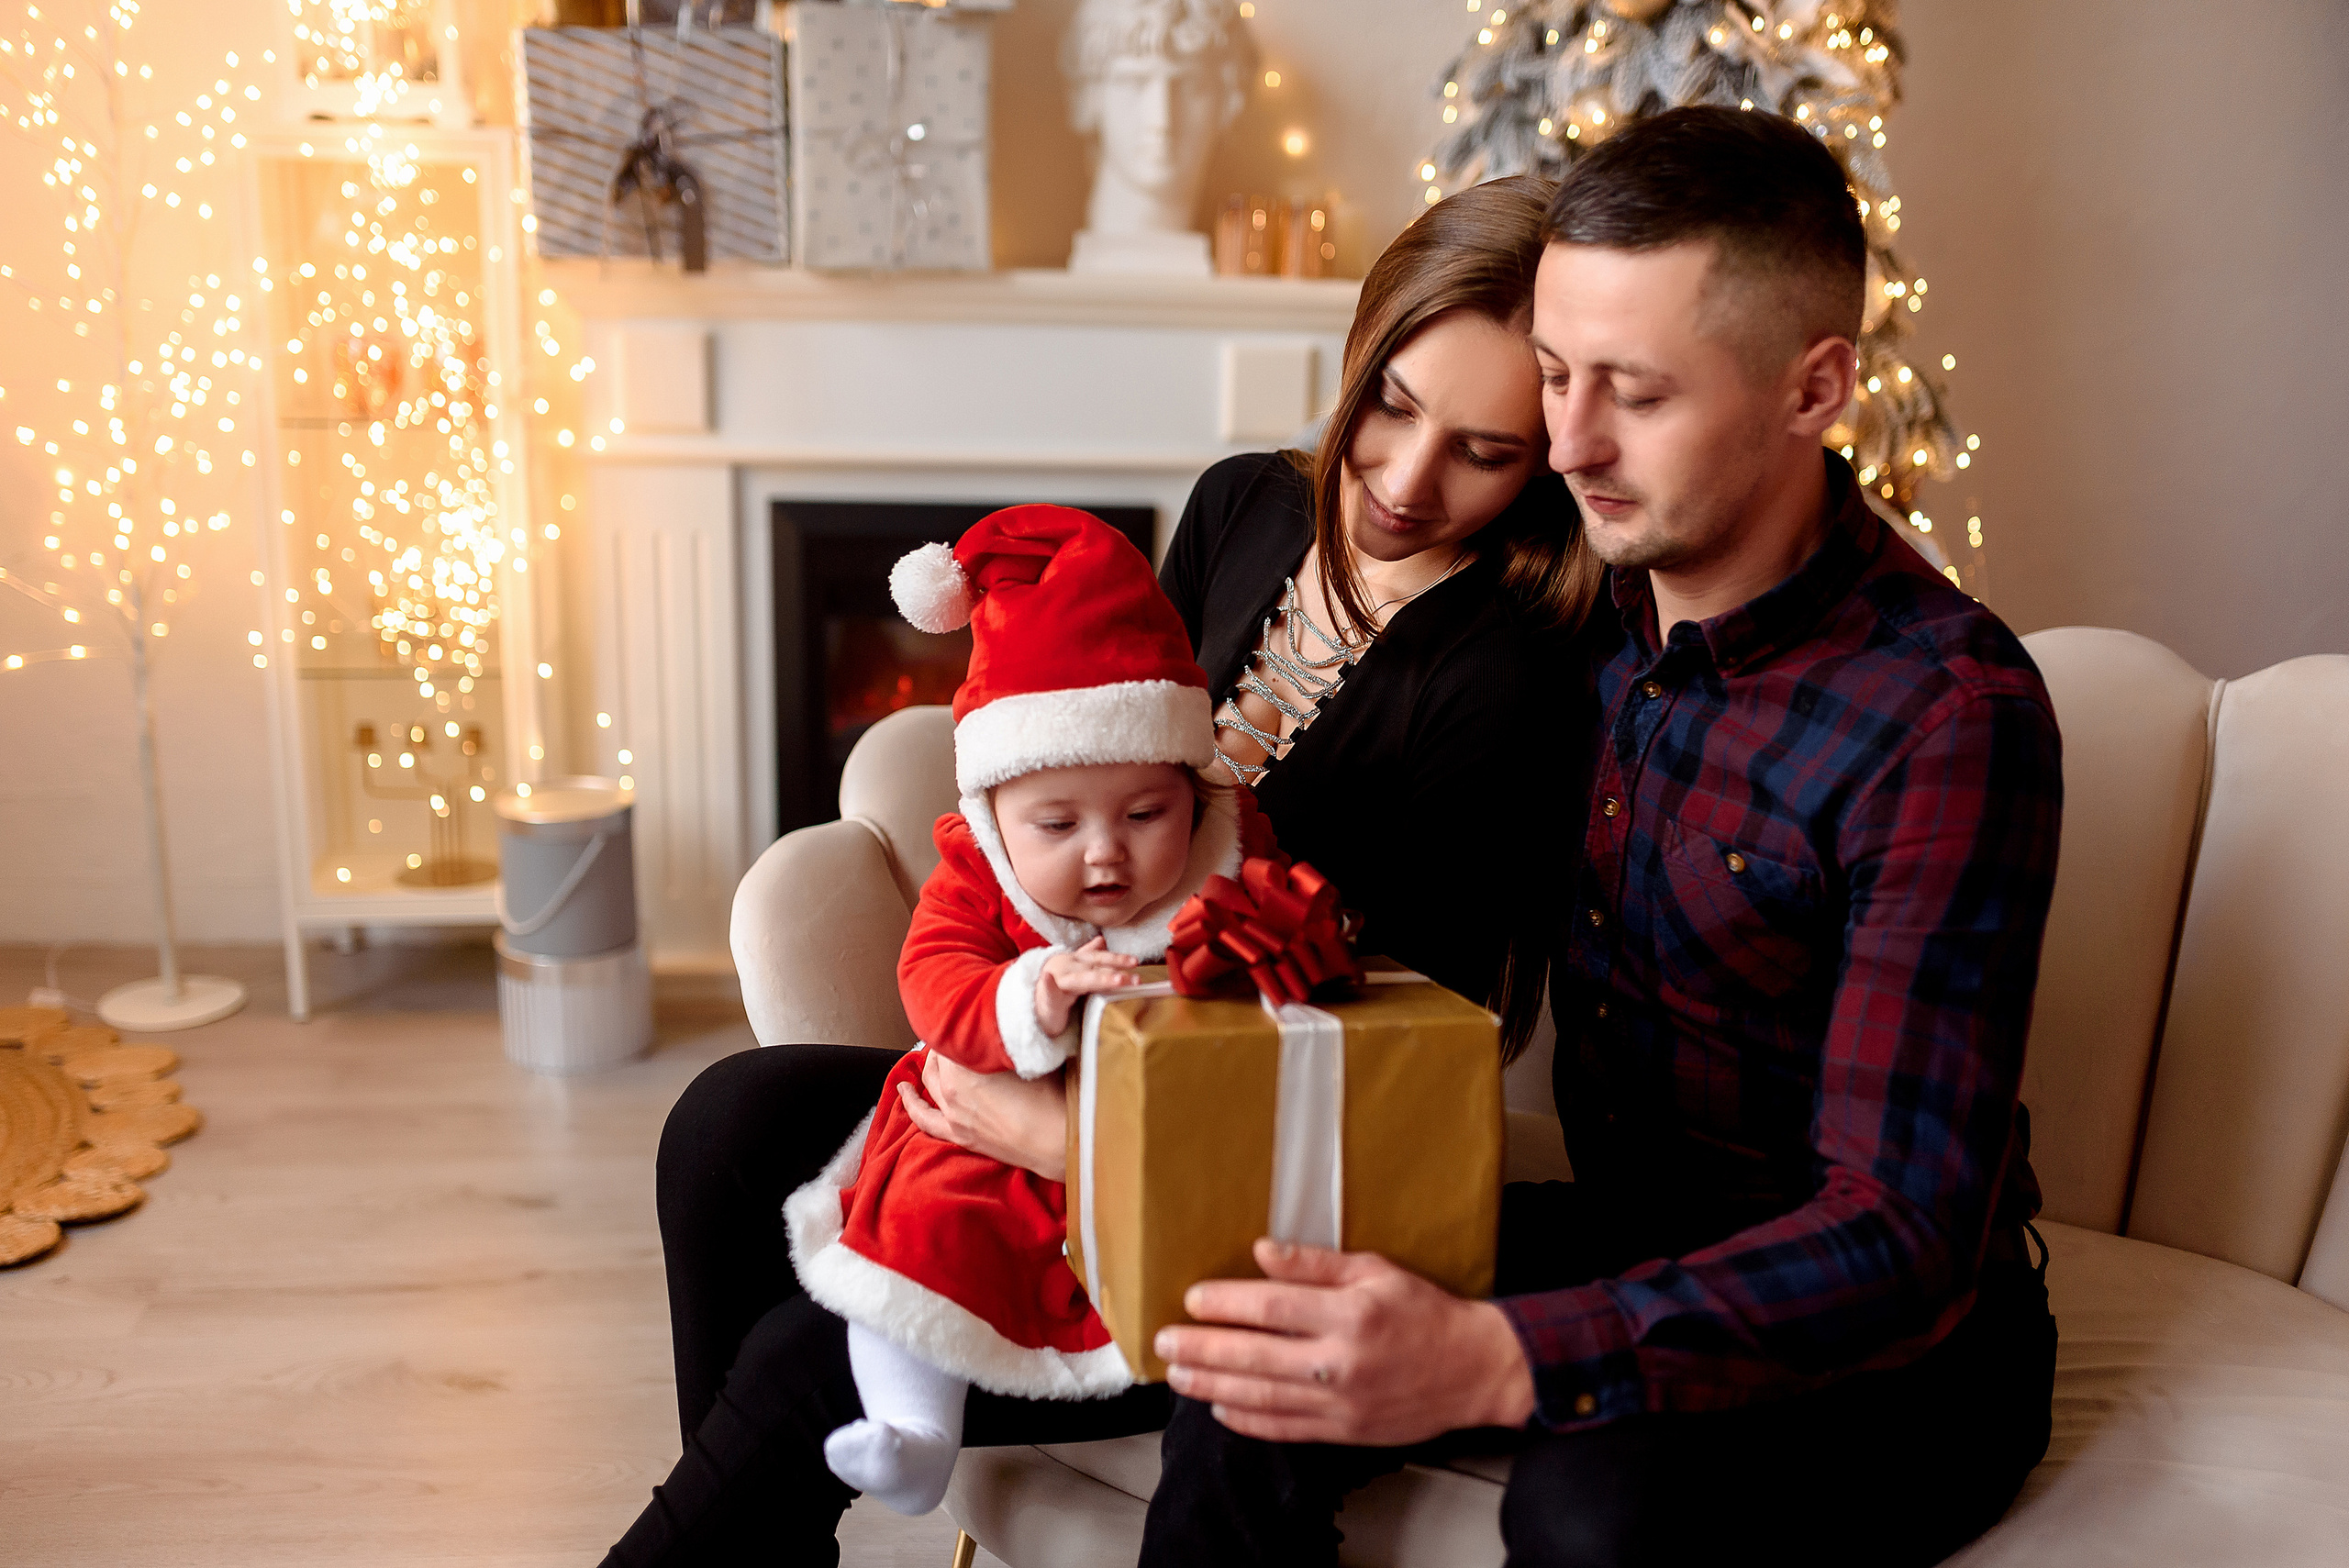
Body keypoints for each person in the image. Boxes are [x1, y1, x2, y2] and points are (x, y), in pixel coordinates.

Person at [599, 176, 1598, 1566]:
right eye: (1393, 406)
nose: (1411, 478)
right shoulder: (1246, 505)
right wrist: (1001, 994)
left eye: (1486, 450)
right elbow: (1081, 760)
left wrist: (1053, 1132)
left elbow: (1393, 1062)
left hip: (1240, 1162)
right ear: (1362, 350)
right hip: (1067, 1030)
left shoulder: (1509, 666)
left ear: (1545, 459)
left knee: (800, 1357)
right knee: (727, 1124)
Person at [1145, 106, 2065, 1568]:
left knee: (1592, 1513)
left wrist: (1496, 1354)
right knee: (1271, 1345)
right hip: (1629, 1224)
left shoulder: (1944, 709)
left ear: (1813, 386)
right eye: (1558, 381)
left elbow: (1898, 1234)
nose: (1567, 446)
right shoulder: (1575, 618)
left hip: (1894, 1331)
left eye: (1632, 393)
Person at [784, 505, 1284, 1517]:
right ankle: (913, 1427)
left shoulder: (1230, 863)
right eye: (1057, 822)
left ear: (1190, 789)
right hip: (980, 1124)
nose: (1106, 852)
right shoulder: (982, 873)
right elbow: (930, 977)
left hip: (1163, 1149)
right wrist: (1023, 994)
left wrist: (1234, 959)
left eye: (1145, 813)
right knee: (908, 1230)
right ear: (997, 812)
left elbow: (1285, 981)